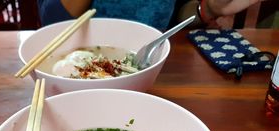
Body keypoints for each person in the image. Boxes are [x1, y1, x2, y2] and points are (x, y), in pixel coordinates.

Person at [37, 0, 266, 30]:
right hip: (76, 70)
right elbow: (53, 23)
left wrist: (210, 9)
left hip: (151, 72)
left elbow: (178, 14)